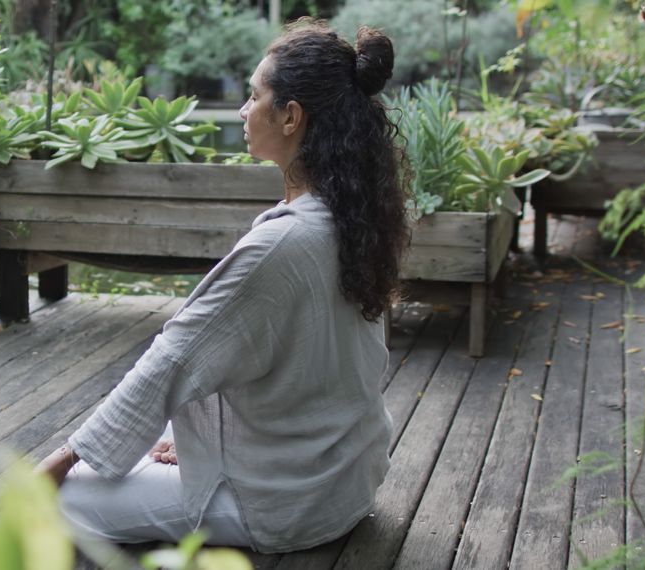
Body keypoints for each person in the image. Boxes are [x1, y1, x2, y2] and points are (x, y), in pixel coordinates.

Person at [37, 18, 409, 554]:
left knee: (65, 497)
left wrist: (61, 459)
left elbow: (172, 359)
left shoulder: (281, 244)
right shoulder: (352, 216)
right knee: (144, 453)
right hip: (344, 481)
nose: (242, 109)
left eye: (254, 95)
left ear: (290, 117)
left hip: (289, 504)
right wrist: (208, 446)